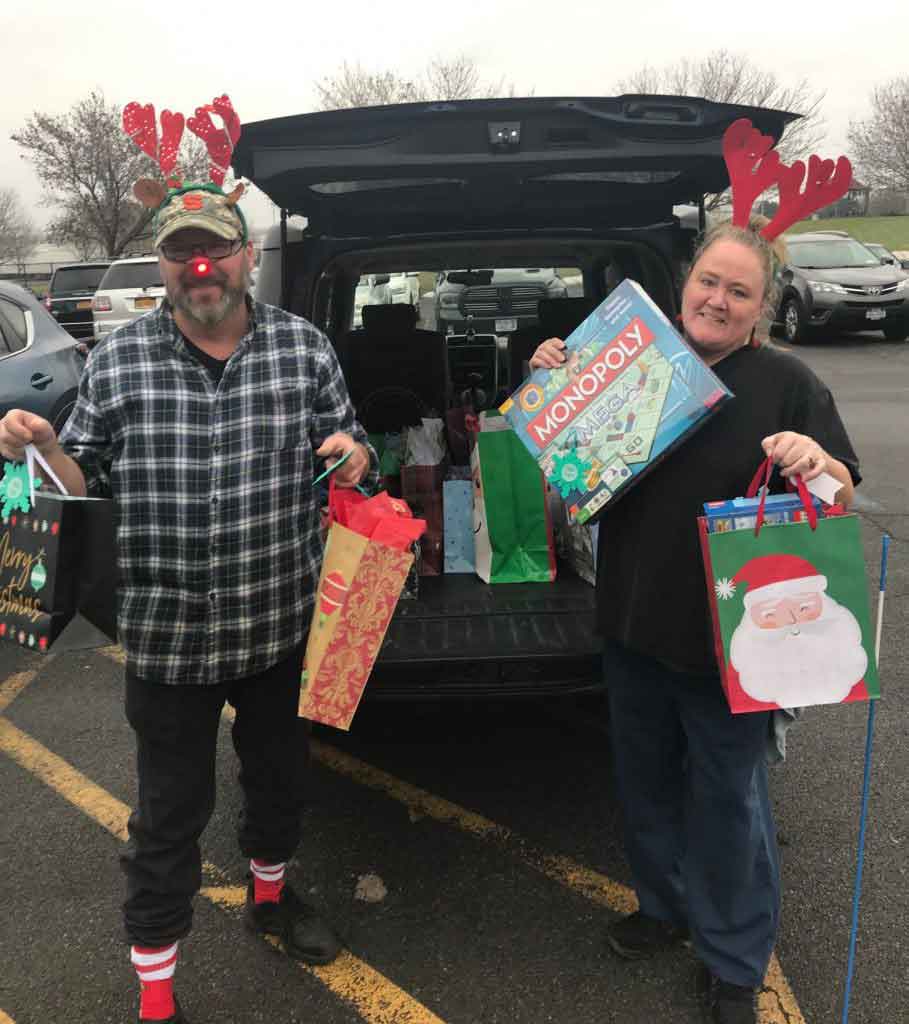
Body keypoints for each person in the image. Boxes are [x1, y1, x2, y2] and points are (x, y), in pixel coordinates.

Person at [0, 180, 377, 1024]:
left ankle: (271, 899)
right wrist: (47, 444)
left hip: (278, 622)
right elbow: (81, 484)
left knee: (279, 782)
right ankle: (157, 997)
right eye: (179, 253)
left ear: (246, 257)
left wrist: (352, 454)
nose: (198, 268)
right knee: (168, 817)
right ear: (163, 268)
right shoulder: (121, 359)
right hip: (166, 638)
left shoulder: (304, 349)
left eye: (214, 249)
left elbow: (354, 454)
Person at [530, 218, 860, 1024]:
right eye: (708, 281)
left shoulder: (786, 383)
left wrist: (817, 465)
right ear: (683, 284)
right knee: (643, 786)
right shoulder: (629, 360)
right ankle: (662, 908)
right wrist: (552, 383)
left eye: (738, 291)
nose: (717, 299)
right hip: (634, 623)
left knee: (728, 804)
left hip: (733, 642)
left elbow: (843, 493)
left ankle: (733, 961)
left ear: (761, 308)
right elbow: (562, 467)